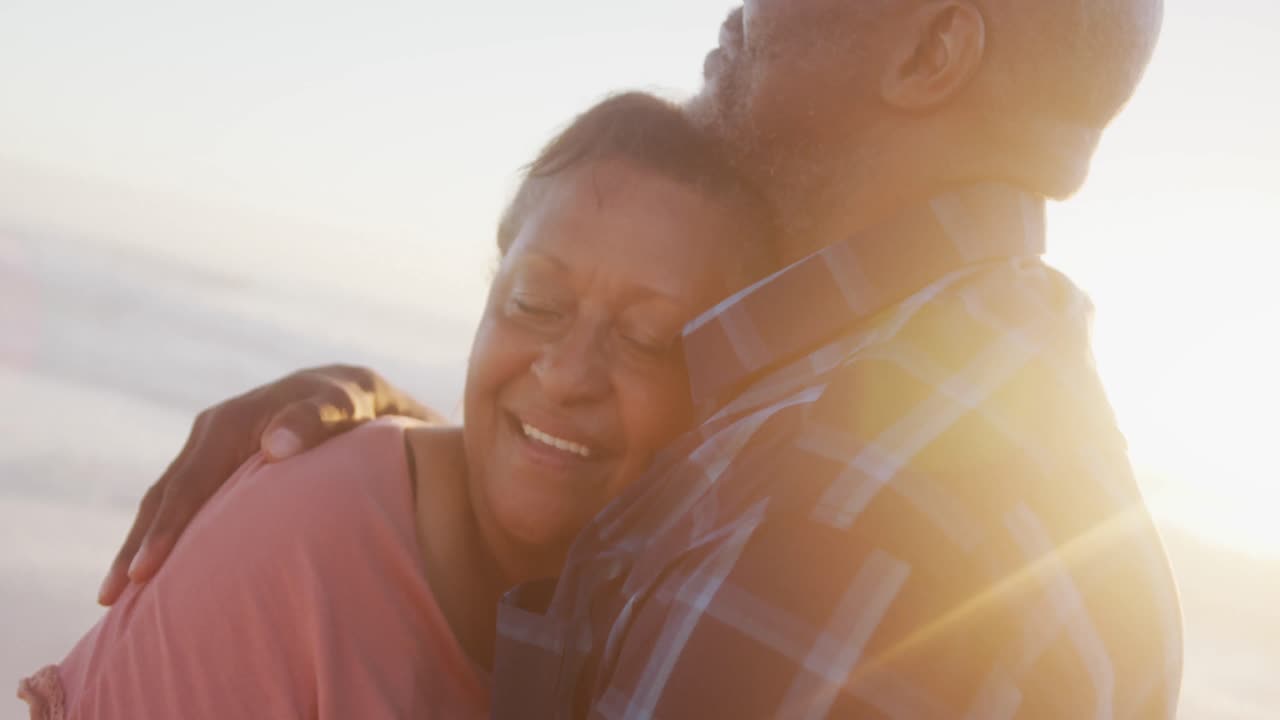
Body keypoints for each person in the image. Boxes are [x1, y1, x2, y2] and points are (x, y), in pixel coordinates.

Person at [93, 1, 1183, 717]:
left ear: (929, 52)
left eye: (651, 339)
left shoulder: (833, 497)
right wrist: (409, 467)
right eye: (535, 302)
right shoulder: (1008, 411)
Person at [18, 93, 777, 719]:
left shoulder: (675, 618)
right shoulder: (302, 538)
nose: (567, 375)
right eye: (536, 303)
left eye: (646, 340)